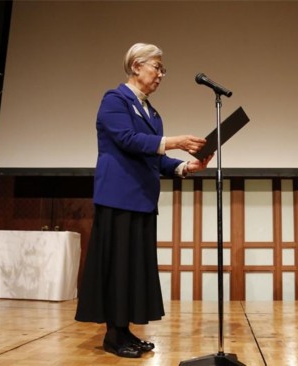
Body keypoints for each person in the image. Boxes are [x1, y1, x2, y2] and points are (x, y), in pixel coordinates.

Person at [75, 43, 213, 359]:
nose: (161, 75)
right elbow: (127, 140)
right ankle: (113, 334)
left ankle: (123, 330)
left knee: (132, 268)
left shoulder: (151, 112)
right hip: (118, 195)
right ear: (136, 66)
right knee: (117, 266)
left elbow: (152, 157)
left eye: (163, 69)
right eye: (157, 67)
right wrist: (175, 142)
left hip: (141, 198)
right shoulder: (114, 100)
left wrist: (186, 165)